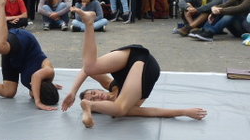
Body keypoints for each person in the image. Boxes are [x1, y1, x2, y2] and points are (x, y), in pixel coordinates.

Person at [61, 8, 207, 128]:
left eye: (93, 93)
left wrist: (73, 92)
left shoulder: (108, 84)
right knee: (120, 110)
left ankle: (89, 23)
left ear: (99, 89)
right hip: (147, 67)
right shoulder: (126, 106)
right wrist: (184, 112)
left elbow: (85, 70)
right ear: (102, 107)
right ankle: (89, 106)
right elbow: (152, 111)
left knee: (90, 67)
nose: (97, 96)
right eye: (94, 99)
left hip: (134, 54)